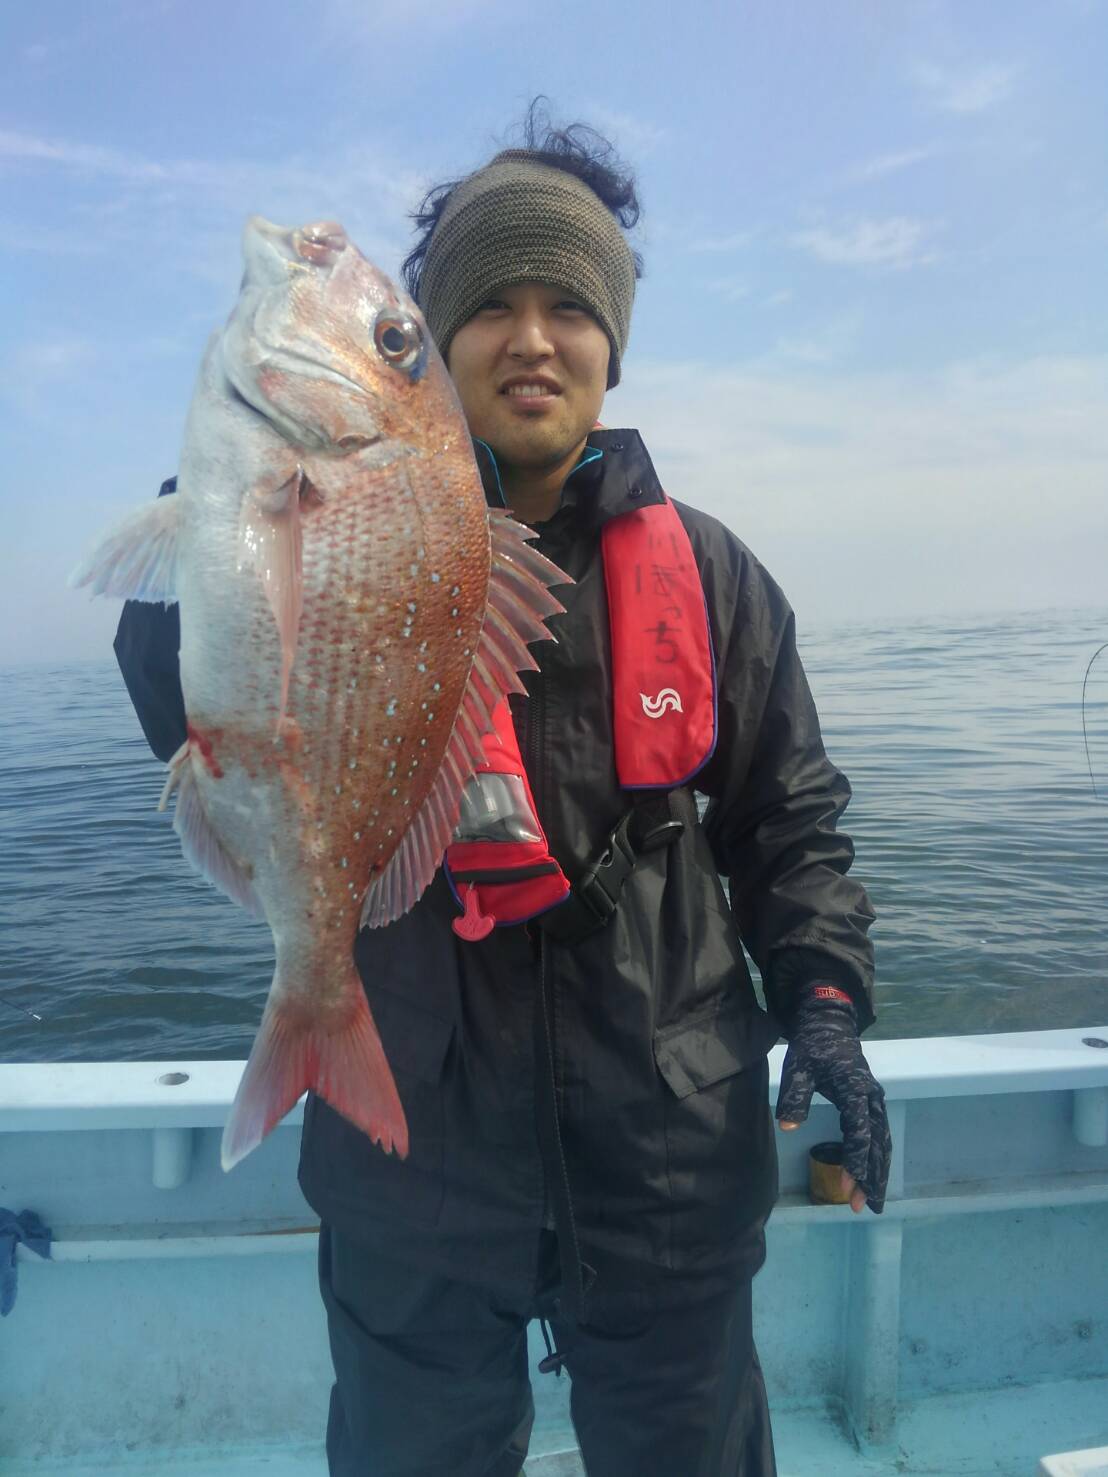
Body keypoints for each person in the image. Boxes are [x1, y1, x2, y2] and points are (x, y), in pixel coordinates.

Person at [114, 103, 890, 1477]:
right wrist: (231, 533)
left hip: (667, 1165)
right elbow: (190, 706)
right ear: (439, 340)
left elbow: (792, 822)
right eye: (491, 307)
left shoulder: (708, 576)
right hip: (413, 1167)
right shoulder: (330, 509)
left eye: (569, 308)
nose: (533, 339)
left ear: (611, 344)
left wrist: (825, 997)